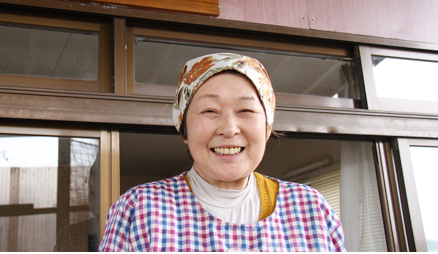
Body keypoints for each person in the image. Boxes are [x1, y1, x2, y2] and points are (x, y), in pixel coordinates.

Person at [99, 53, 345, 251]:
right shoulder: (139, 209)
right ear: (184, 129)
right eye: (210, 111)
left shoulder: (311, 209)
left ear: (268, 127)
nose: (229, 129)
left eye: (246, 111)